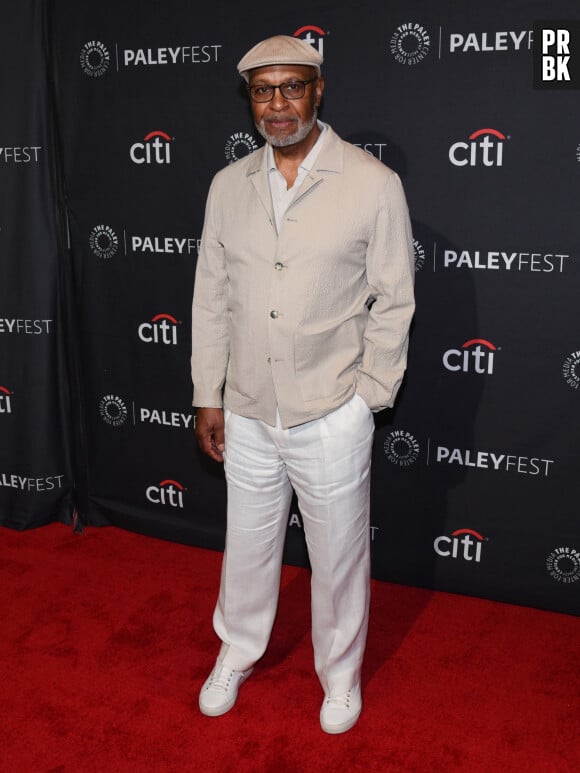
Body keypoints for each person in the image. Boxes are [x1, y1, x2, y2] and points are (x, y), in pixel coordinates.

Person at [191, 34, 415, 734]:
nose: (278, 103)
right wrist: (209, 391)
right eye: (264, 90)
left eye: (292, 87)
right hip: (251, 410)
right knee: (248, 547)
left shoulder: (372, 183)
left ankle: (340, 675)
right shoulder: (228, 187)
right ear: (249, 99)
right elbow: (210, 295)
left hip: (330, 411)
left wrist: (367, 400)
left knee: (340, 556)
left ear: (319, 91)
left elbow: (395, 299)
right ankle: (237, 650)